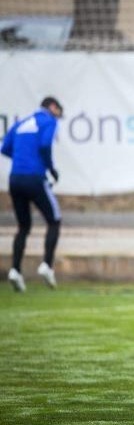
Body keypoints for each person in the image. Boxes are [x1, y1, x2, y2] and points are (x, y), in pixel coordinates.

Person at [2, 96, 64, 292]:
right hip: (34, 178)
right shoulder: (49, 121)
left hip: (15, 179)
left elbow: (4, 147)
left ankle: (15, 270)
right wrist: (50, 168)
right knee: (54, 220)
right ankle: (47, 264)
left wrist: (22, 157)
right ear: (53, 107)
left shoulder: (21, 123)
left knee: (23, 226)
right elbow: (45, 145)